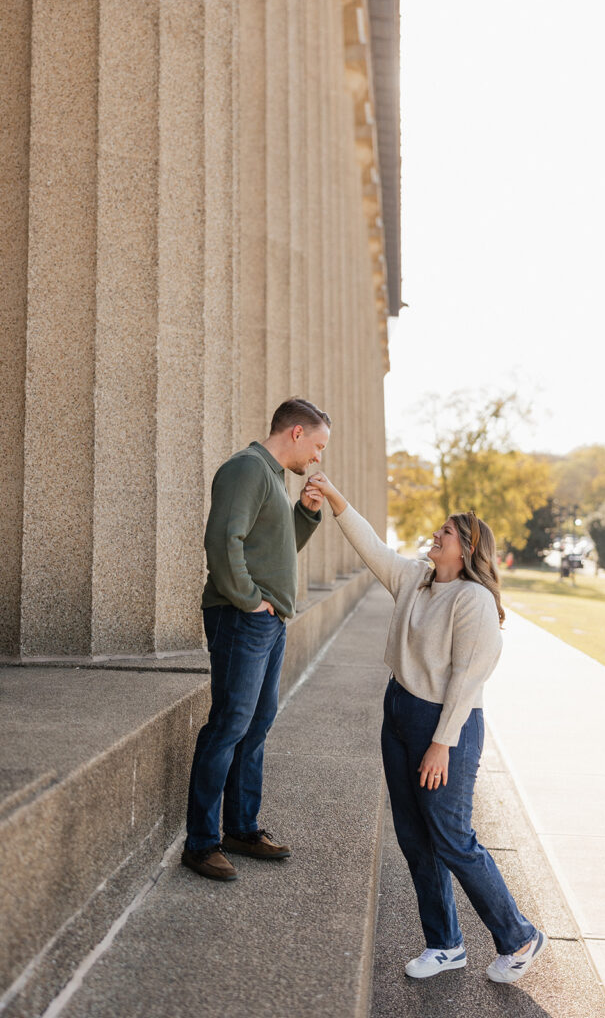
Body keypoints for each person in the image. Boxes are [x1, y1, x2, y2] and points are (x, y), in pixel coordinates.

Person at [305, 472, 547, 985]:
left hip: (446, 724)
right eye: (439, 531)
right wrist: (334, 498)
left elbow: (468, 678)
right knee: (415, 837)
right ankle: (445, 944)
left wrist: (441, 744)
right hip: (399, 712)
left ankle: (519, 936)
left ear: (468, 549)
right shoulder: (415, 579)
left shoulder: (473, 601)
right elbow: (371, 545)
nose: (437, 536)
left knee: (453, 837)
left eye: (448, 534)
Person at [182, 398, 330, 881]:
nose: (317, 458)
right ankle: (201, 844)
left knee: (256, 725)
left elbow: (272, 548)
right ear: (295, 433)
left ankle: (241, 828)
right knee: (229, 724)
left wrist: (304, 514)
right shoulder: (247, 469)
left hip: (268, 623)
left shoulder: (273, 479)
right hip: (241, 618)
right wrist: (249, 599)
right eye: (317, 445)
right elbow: (224, 540)